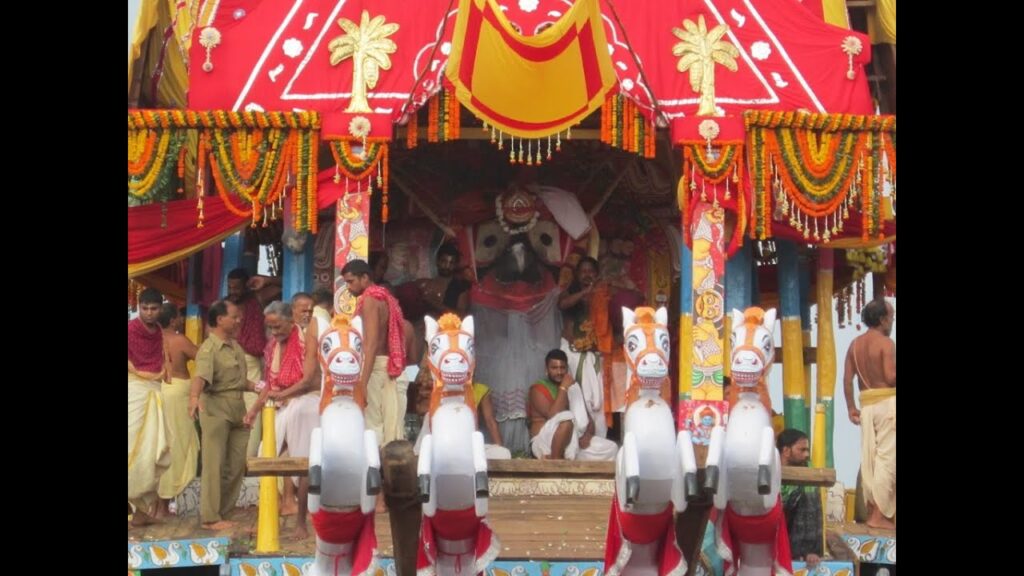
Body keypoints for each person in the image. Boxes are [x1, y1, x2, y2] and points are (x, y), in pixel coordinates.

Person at [246, 300, 321, 539]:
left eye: (278, 327)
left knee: (302, 463)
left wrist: (282, 395)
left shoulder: (307, 338)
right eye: (271, 327)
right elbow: (270, 384)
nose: (274, 332)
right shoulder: (271, 347)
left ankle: (301, 523)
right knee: (266, 457)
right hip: (283, 404)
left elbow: (309, 379)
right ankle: (266, 518)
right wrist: (254, 411)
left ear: (291, 321)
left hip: (307, 402)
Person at [189, 300, 253, 530]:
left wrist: (259, 387)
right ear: (219, 320)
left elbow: (238, 380)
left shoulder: (235, 346)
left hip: (238, 408)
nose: (238, 320)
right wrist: (194, 398)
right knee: (214, 463)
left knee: (236, 464)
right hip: (215, 408)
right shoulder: (209, 348)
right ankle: (210, 517)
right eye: (234, 317)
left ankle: (224, 512)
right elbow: (201, 377)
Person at [341, 259, 408, 446]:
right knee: (389, 427)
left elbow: (370, 344)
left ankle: (374, 473)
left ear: (365, 278)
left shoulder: (370, 299)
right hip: (389, 367)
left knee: (372, 426)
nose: (348, 287)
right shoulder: (385, 297)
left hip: (376, 368)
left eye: (351, 281)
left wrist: (362, 383)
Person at [843, 298, 896, 529]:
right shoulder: (886, 343)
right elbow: (891, 377)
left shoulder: (854, 345)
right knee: (888, 459)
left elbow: (847, 380)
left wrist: (850, 407)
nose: (892, 322)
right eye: (891, 317)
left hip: (866, 406)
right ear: (883, 319)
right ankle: (880, 516)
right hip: (887, 404)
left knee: (870, 459)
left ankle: (876, 512)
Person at [128, 287, 171, 526]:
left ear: (160, 308)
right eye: (145, 308)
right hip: (134, 390)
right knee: (132, 446)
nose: (149, 313)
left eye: (154, 308)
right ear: (138, 307)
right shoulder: (130, 330)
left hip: (154, 390)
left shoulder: (160, 333)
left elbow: (163, 363)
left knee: (152, 450)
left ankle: (140, 513)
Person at [528, 349, 616, 460]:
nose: (559, 372)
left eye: (562, 368)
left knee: (611, 448)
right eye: (554, 368)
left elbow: (588, 420)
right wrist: (563, 388)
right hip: (544, 444)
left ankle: (565, 457)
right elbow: (553, 416)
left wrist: (587, 435)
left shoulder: (573, 388)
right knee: (567, 417)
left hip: (574, 441)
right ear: (546, 370)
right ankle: (555, 463)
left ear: (567, 369)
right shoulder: (538, 389)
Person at [558, 257, 610, 438]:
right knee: (577, 397)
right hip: (572, 354)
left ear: (596, 274)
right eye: (583, 271)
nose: (587, 274)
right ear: (577, 275)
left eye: (591, 271)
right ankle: (578, 437)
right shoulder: (569, 292)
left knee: (598, 400)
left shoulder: (603, 294)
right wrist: (584, 293)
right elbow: (562, 304)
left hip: (593, 355)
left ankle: (598, 438)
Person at [156, 303, 199, 518]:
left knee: (160, 444)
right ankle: (167, 502)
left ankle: (157, 505)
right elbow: (203, 358)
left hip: (158, 390)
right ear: (172, 320)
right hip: (179, 390)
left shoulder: (153, 340)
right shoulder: (179, 339)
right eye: (179, 317)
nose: (181, 320)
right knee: (179, 444)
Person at [777, 429, 822, 569]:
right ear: (786, 451)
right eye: (801, 450)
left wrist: (811, 551)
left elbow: (815, 514)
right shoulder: (770, 470)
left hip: (798, 546)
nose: (807, 454)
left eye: (807, 450)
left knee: (808, 495)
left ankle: (808, 550)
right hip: (770, 540)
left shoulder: (808, 471)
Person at [416, 244, 470, 318]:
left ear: (455, 265)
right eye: (444, 261)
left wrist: (436, 304)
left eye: (451, 263)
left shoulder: (460, 289)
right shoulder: (423, 283)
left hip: (447, 328)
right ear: (437, 261)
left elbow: (461, 316)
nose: (447, 266)